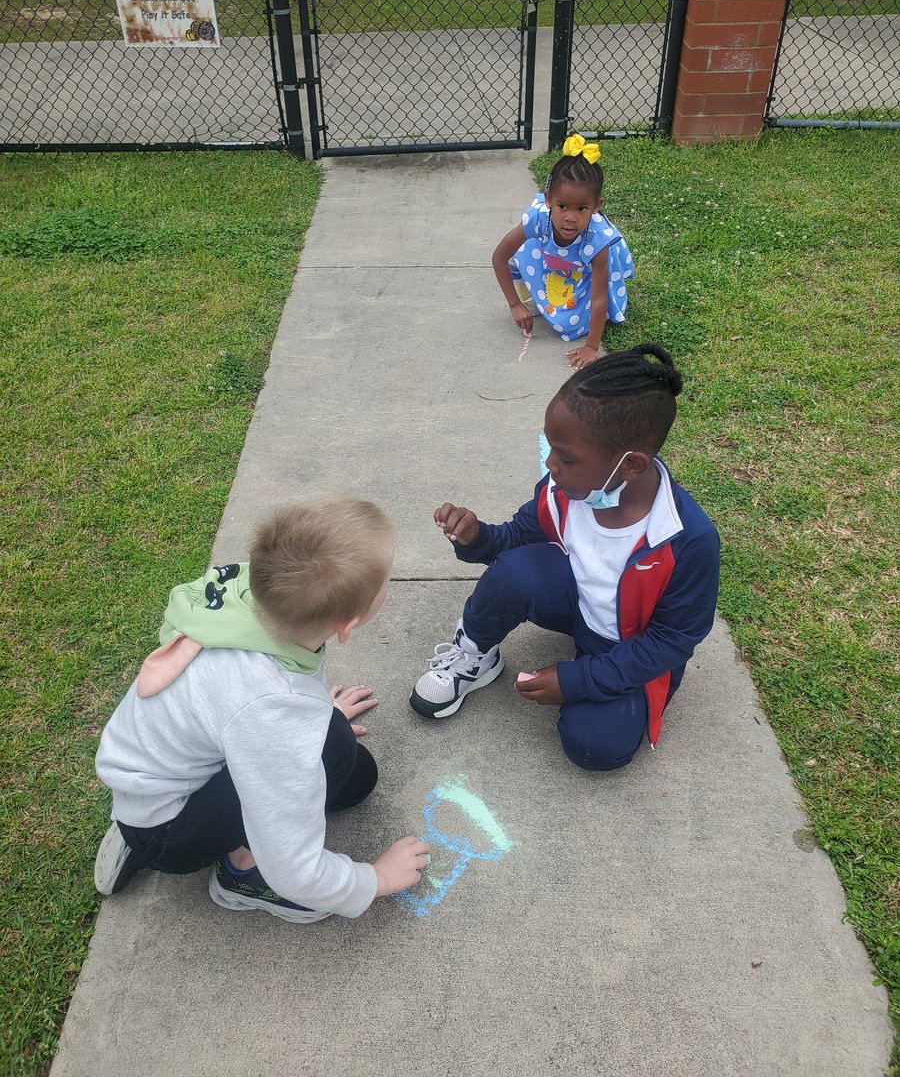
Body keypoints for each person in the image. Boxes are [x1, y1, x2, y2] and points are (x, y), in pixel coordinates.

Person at [94, 499, 429, 923]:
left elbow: (235, 697)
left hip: (150, 770)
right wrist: (372, 880)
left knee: (351, 766)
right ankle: (241, 876)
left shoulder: (249, 594)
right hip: (167, 827)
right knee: (337, 760)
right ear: (348, 623)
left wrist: (313, 714)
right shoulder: (269, 707)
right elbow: (291, 861)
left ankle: (136, 821)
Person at [409, 345, 720, 771]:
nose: (551, 465)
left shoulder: (686, 539)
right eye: (553, 449)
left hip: (628, 647)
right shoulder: (565, 490)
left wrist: (580, 680)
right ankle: (475, 655)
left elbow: (672, 639)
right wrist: (477, 538)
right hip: (575, 605)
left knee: (594, 747)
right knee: (516, 571)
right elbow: (518, 538)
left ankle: (595, 681)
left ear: (629, 466)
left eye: (567, 458)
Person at [492, 134, 634, 369]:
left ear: (596, 207)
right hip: (557, 262)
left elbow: (599, 298)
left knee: (568, 324)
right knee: (523, 250)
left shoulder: (597, 240)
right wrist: (515, 304)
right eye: (562, 206)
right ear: (548, 200)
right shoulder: (538, 218)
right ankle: (537, 297)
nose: (570, 218)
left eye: (581, 208)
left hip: (586, 271)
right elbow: (500, 257)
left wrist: (591, 346)